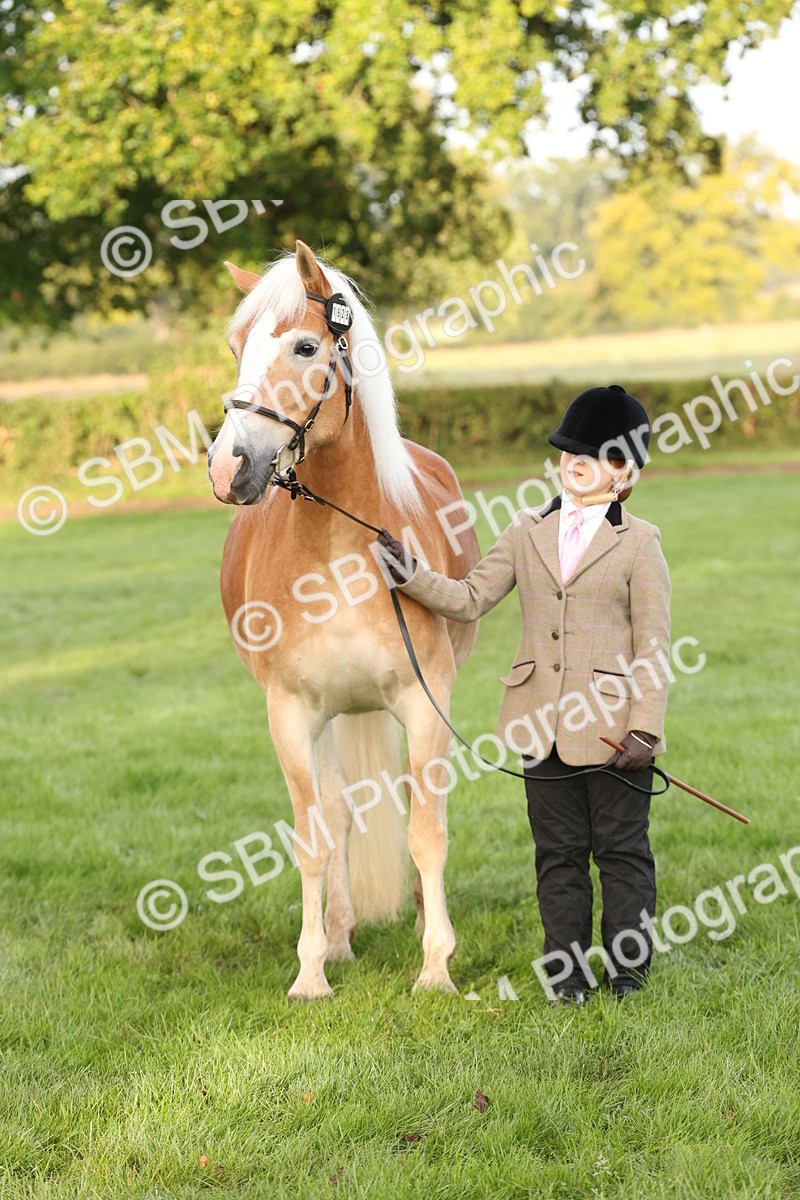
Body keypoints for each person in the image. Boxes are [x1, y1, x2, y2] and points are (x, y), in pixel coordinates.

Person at [376, 384, 671, 1005]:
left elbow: (653, 645)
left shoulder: (641, 544)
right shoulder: (526, 530)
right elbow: (470, 596)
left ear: (625, 476)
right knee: (557, 854)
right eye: (571, 452)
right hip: (539, 723)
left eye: (597, 457)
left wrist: (646, 728)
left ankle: (628, 973)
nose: (578, 464)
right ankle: (566, 975)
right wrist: (411, 574)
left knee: (621, 853)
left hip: (615, 730)